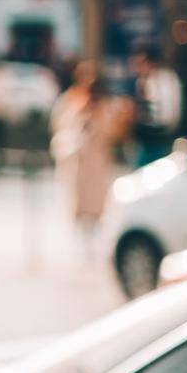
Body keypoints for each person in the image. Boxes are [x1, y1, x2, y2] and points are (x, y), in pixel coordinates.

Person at [51, 61, 127, 260]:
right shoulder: (71, 101)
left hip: (97, 161)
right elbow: (61, 127)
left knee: (97, 202)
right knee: (79, 201)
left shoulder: (104, 106)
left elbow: (113, 132)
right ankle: (82, 240)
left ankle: (94, 237)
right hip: (79, 162)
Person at [129, 45, 182, 166]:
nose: (138, 68)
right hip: (145, 138)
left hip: (161, 138)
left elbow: (171, 112)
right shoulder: (142, 81)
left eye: (141, 63)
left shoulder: (166, 79)